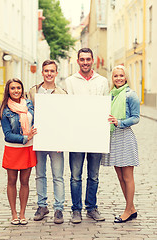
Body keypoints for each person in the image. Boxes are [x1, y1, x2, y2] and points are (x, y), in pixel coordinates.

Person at [65, 48, 109, 223]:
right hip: (76, 136)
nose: (85, 62)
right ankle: (76, 210)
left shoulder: (102, 81)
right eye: (82, 59)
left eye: (88, 59)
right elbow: (67, 109)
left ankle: (91, 207)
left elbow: (107, 106)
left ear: (93, 61)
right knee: (75, 175)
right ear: (78, 61)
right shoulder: (70, 82)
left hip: (96, 135)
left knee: (94, 175)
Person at [28, 60, 66, 224]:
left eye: (52, 71)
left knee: (58, 176)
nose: (49, 73)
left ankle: (59, 208)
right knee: (40, 175)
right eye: (46, 71)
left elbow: (66, 119)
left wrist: (62, 140)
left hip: (56, 141)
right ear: (42, 73)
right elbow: (27, 113)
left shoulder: (62, 93)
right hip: (39, 140)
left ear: (56, 73)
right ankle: (42, 206)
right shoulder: (33, 92)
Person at [101, 65, 140, 223]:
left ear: (126, 77)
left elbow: (136, 117)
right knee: (120, 176)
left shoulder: (131, 95)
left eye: (121, 76)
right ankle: (132, 208)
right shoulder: (110, 95)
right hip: (113, 137)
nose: (118, 78)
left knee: (128, 177)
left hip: (125, 136)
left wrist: (120, 122)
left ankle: (127, 210)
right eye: (115, 76)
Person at [0, 78, 37, 225]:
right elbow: (7, 134)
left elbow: (37, 122)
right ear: (8, 90)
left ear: (22, 89)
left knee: (25, 182)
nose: (16, 91)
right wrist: (25, 137)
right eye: (13, 88)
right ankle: (14, 213)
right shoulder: (5, 109)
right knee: (12, 181)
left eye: (18, 88)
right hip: (13, 149)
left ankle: (22, 213)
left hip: (28, 149)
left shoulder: (28, 104)